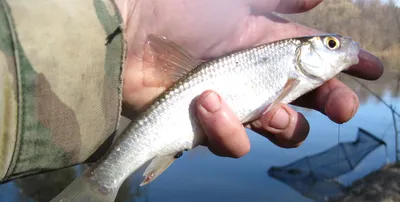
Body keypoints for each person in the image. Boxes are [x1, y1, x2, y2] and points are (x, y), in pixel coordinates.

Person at [0, 0, 383, 183]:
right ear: (310, 53)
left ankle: (105, 179)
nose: (340, 47)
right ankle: (102, 182)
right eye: (331, 45)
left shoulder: (294, 69)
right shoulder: (289, 62)